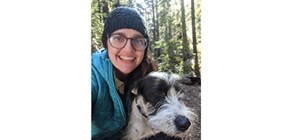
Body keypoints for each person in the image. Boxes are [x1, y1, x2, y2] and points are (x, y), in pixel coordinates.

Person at [91, 6, 157, 140]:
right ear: (106, 42)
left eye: (138, 40)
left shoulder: (146, 71)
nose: (128, 50)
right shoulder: (92, 75)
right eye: (118, 38)